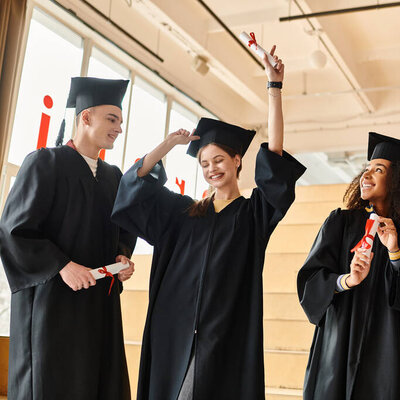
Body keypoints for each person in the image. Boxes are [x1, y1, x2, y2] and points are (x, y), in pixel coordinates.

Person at [111, 46, 305, 400]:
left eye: (219, 160)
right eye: (204, 163)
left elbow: (275, 157)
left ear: (236, 160)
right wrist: (169, 143)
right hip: (173, 327)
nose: (212, 168)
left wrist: (273, 87)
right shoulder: (182, 214)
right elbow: (134, 187)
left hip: (223, 333)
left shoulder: (252, 216)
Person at [0, 77, 137, 400]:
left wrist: (121, 256)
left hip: (97, 303)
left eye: (121, 121)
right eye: (112, 119)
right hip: (52, 305)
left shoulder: (112, 177)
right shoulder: (45, 163)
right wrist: (62, 265)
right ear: (86, 117)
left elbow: (123, 229)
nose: (119, 128)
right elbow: (14, 229)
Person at [297, 132, 400, 399]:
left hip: (385, 346)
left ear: (399, 180)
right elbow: (310, 279)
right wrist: (346, 280)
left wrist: (395, 252)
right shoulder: (340, 222)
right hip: (337, 340)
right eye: (366, 169)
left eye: (378, 169)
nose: (366, 175)